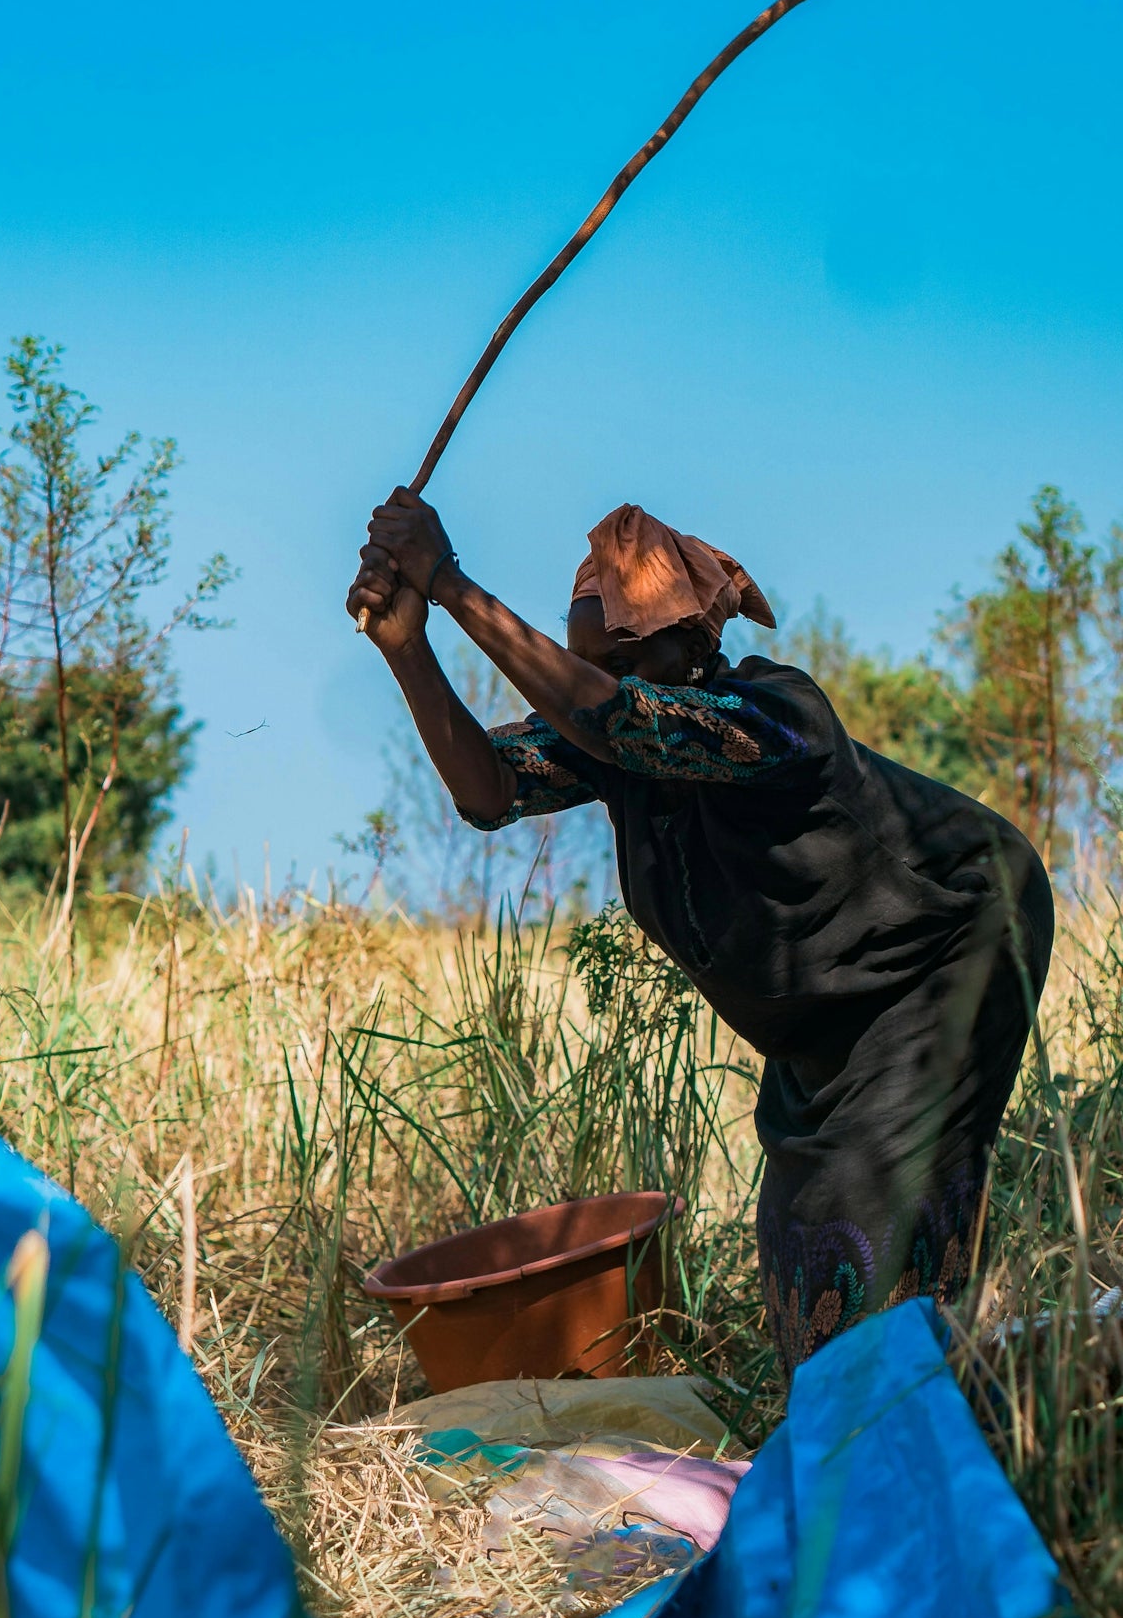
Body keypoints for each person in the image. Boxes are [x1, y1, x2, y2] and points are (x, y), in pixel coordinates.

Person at [347, 492, 1053, 1372]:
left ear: (696, 646)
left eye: (626, 654)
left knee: (874, 1231)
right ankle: (969, 1392)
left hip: (952, 949)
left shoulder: (773, 716)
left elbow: (613, 716)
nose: (602, 674)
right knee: (809, 1262)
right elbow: (489, 791)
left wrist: (449, 584)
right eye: (589, 657)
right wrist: (408, 647)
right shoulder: (611, 750)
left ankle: (995, 1409)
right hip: (827, 1020)